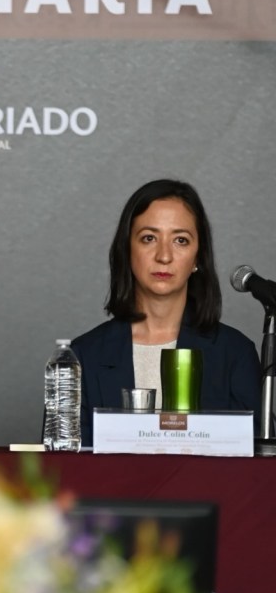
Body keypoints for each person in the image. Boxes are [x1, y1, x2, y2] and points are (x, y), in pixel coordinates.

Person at [72, 179, 260, 444]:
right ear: (127, 249)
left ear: (197, 257)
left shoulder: (235, 353)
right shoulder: (83, 356)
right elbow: (62, 464)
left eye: (180, 240)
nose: (164, 256)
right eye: (149, 238)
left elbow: (255, 463)